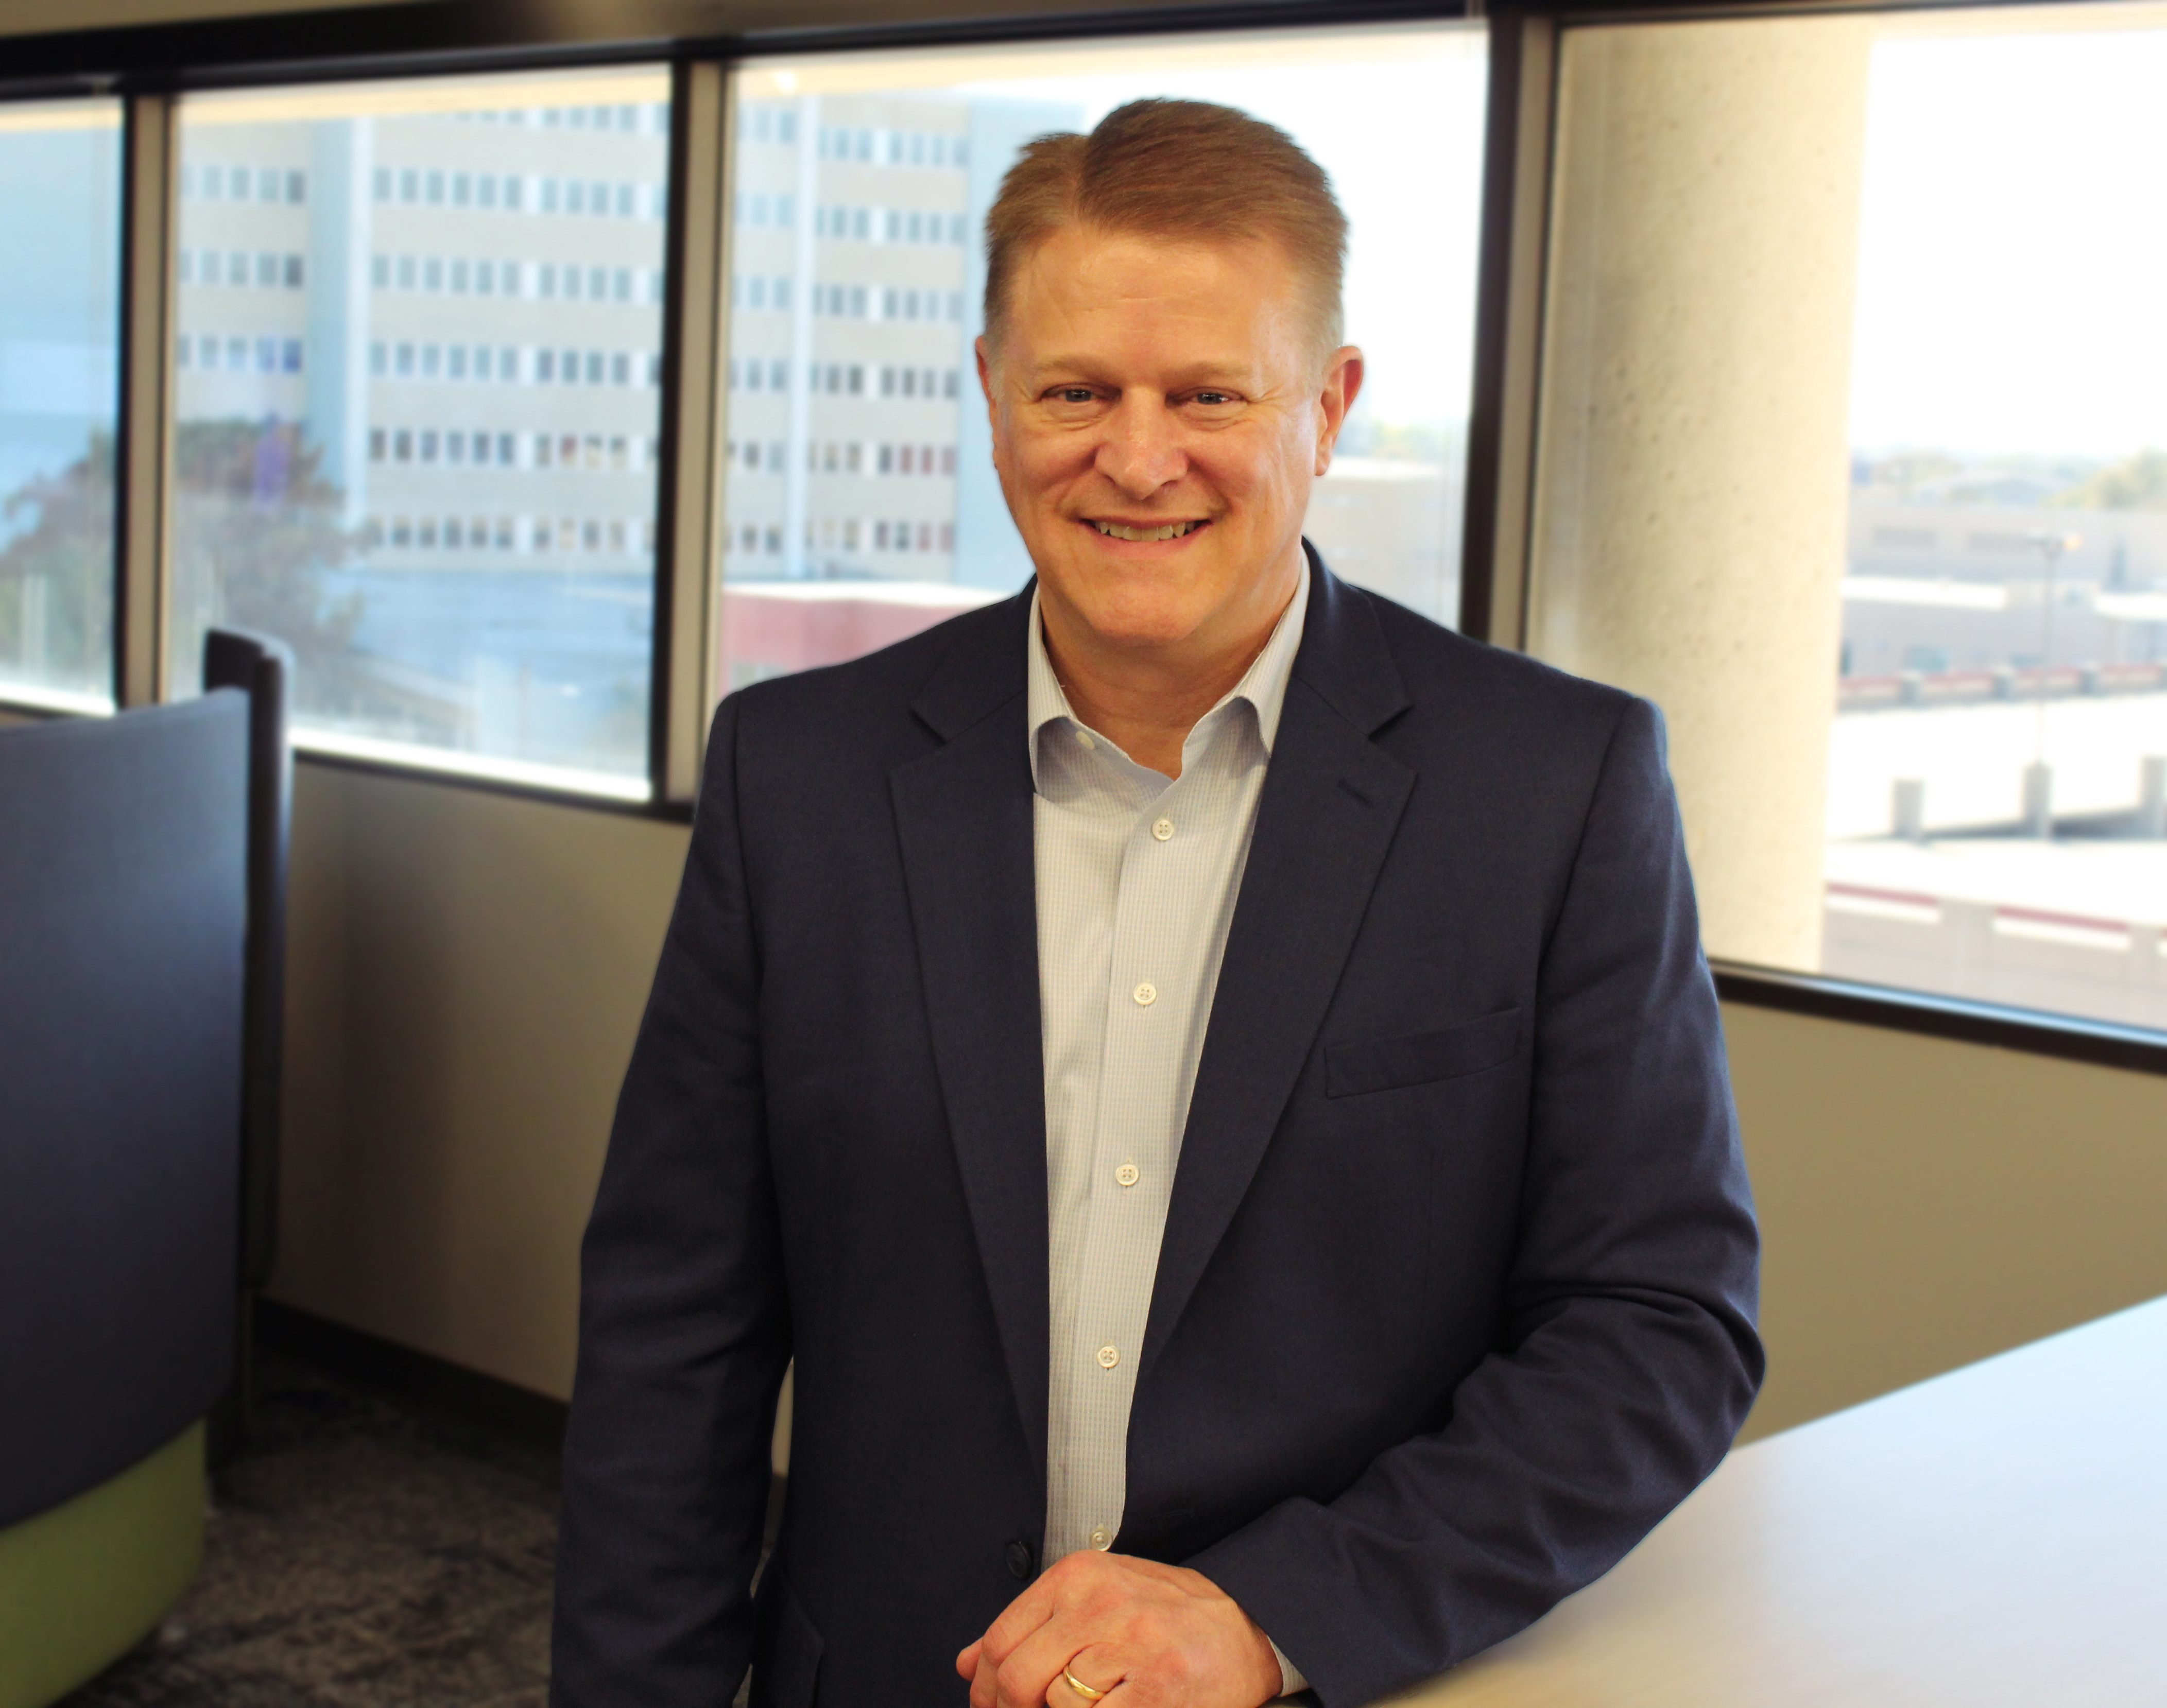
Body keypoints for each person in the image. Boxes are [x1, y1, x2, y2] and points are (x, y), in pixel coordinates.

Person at [551, 98, 1761, 1708]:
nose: (1136, 457)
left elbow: (1658, 1324)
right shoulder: (799, 776)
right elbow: (671, 1342)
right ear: (994, 395)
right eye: (1076, 392)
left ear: (1326, 408)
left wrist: (1277, 1616)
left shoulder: (1555, 786)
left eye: (1208, 394)